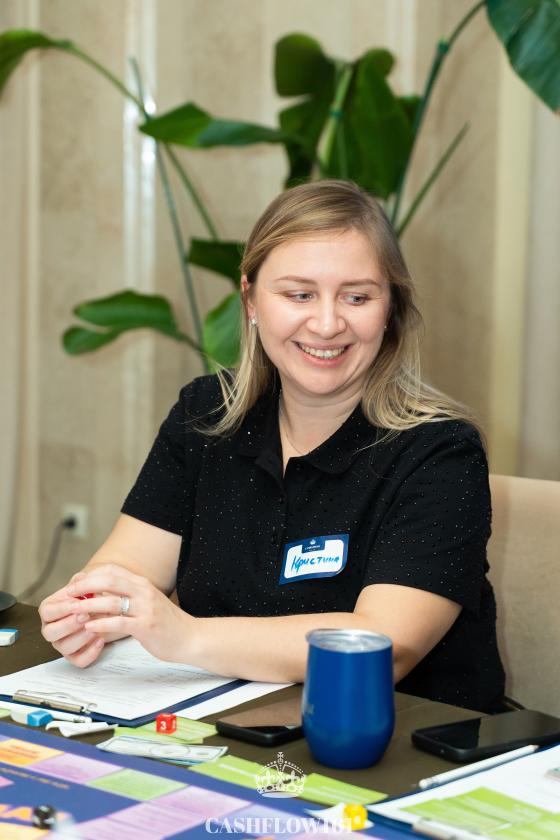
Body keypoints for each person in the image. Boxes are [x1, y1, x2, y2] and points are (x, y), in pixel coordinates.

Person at [39, 180, 505, 711]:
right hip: (229, 727)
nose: (327, 324)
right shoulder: (205, 414)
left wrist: (185, 635)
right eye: (299, 294)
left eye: (356, 297)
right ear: (251, 300)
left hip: (402, 740)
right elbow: (125, 573)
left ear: (389, 310)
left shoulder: (442, 453)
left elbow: (380, 645)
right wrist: (87, 612)